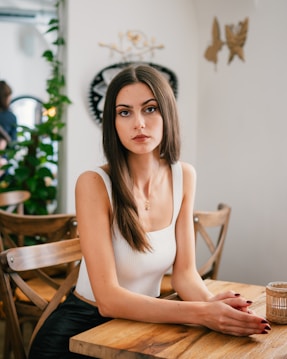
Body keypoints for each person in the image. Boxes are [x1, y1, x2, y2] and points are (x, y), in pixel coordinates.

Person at [29, 64, 270, 359]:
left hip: (145, 325)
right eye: (125, 112)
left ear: (167, 113)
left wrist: (212, 305)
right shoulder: (94, 183)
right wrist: (202, 313)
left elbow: (184, 274)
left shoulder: (184, 176)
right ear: (113, 123)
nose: (139, 123)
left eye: (150, 109)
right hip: (81, 331)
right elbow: (108, 300)